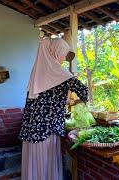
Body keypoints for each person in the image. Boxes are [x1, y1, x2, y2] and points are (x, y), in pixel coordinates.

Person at [19, 38, 88, 180]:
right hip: (47, 130)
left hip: (31, 128)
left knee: (34, 163)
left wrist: (66, 99)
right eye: (63, 54)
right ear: (56, 52)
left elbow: (45, 97)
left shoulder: (38, 71)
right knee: (46, 164)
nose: (63, 58)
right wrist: (77, 100)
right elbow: (85, 92)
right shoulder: (60, 73)